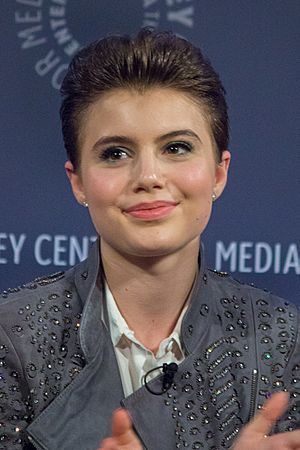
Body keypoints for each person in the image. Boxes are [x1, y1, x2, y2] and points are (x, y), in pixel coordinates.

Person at [0, 29, 299, 450]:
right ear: (78, 182)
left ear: (218, 173)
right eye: (115, 153)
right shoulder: (11, 338)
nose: (149, 178)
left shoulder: (283, 339)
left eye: (176, 147)